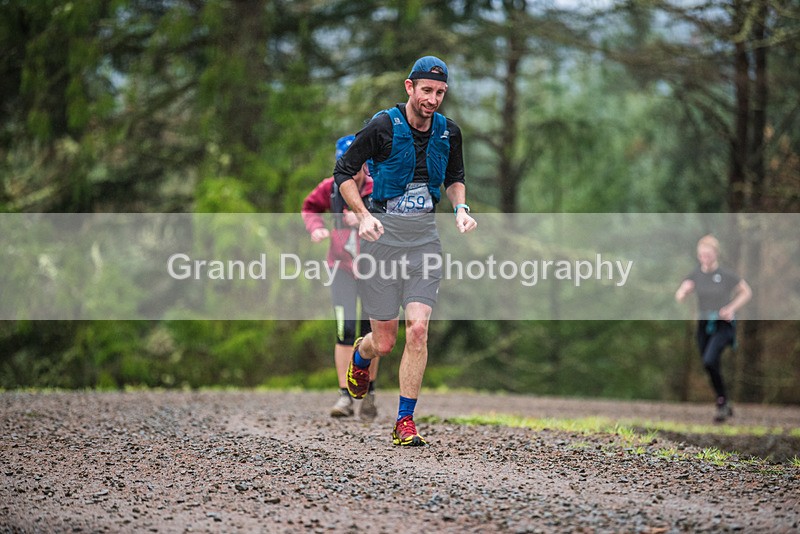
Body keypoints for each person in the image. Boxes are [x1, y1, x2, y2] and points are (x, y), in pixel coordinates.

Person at [333, 55, 478, 446]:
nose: (433, 99)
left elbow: (455, 178)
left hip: (424, 242)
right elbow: (344, 173)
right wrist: (361, 215)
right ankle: (361, 360)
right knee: (383, 342)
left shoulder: (449, 132)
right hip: (380, 242)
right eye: (427, 90)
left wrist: (461, 209)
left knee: (417, 329)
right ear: (409, 87)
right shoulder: (382, 125)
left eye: (441, 92)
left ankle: (404, 421)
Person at [302, 135, 380, 420]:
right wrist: (316, 229)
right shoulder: (330, 188)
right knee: (345, 331)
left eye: (356, 165)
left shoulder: (378, 188)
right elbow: (309, 207)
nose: (351, 170)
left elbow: (393, 220)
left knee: (373, 332)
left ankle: (369, 391)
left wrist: (361, 217)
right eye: (345, 164)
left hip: (373, 269)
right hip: (341, 269)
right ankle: (344, 397)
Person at [675, 234, 752, 422]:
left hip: (722, 325)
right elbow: (681, 292)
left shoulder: (726, 276)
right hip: (703, 326)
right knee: (709, 364)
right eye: (702, 255)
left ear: (715, 254)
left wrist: (732, 308)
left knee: (710, 360)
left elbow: (746, 292)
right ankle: (723, 400)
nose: (705, 258)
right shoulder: (695, 275)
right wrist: (683, 292)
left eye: (708, 254)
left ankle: (721, 402)